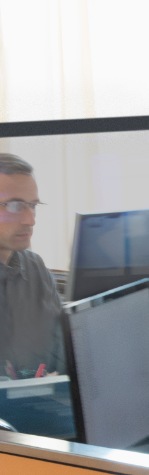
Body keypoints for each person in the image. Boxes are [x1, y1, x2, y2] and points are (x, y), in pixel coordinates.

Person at [0, 153, 64, 380]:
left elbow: (64, 358)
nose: (30, 220)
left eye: (33, 206)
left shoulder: (34, 268)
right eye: (15, 206)